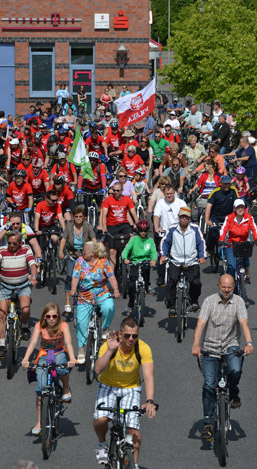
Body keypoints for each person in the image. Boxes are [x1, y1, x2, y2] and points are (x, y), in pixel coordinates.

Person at [192, 274, 254, 439]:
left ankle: (233, 392)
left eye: (230, 287)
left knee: (235, 370)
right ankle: (208, 423)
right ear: (218, 285)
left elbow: (244, 324)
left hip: (230, 346)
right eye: (224, 287)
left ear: (233, 287)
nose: (226, 290)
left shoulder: (239, 302)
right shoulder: (209, 301)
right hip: (210, 348)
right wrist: (196, 344)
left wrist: (249, 343)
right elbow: (200, 324)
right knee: (209, 385)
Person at [93, 316, 157, 468]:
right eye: (127, 335)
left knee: (133, 430)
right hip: (108, 386)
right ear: (120, 334)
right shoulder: (109, 345)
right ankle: (102, 444)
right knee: (101, 420)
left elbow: (148, 377)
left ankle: (133, 464)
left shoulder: (143, 348)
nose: (131, 339)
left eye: (134, 336)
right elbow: (97, 369)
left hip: (131, 388)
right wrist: (110, 350)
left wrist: (149, 401)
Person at [22, 302, 76, 434]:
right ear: (44, 317)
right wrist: (26, 358)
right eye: (48, 316)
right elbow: (33, 342)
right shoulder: (39, 326)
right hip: (44, 355)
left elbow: (68, 342)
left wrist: (72, 358)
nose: (51, 319)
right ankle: (40, 422)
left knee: (61, 368)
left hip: (59, 353)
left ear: (58, 317)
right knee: (41, 390)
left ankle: (66, 388)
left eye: (54, 316)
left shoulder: (63, 326)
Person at [70, 241, 120, 364]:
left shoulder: (103, 261)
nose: (82, 253)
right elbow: (75, 277)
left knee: (109, 307)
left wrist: (116, 290)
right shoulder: (80, 261)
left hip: (101, 292)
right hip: (84, 295)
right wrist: (73, 289)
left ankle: (105, 328)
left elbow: (111, 276)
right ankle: (81, 348)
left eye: (85, 251)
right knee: (81, 321)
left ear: (92, 253)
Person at [160, 206, 206, 316]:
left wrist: (202, 256)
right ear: (179, 217)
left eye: (186, 217)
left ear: (189, 218)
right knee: (171, 281)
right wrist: (163, 255)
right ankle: (171, 306)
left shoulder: (195, 228)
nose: (184, 219)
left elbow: (201, 243)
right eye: (182, 217)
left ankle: (194, 301)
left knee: (196, 283)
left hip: (192, 261)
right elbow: (165, 242)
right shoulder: (172, 229)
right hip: (176, 261)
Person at [0, 231, 37, 355]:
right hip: (5, 286)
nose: (11, 245)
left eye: (14, 243)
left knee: (25, 309)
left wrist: (33, 276)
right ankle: (1, 344)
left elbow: (32, 263)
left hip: (22, 286)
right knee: (2, 314)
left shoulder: (26, 249)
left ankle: (25, 326)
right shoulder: (2, 250)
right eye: (9, 243)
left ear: (20, 243)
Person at [59, 207, 96, 313]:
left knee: (87, 277)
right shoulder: (69, 226)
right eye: (76, 217)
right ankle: (67, 301)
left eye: (80, 217)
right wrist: (61, 252)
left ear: (84, 217)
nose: (78, 219)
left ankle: (87, 297)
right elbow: (63, 239)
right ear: (73, 217)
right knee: (70, 276)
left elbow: (93, 239)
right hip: (72, 254)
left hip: (84, 256)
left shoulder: (87, 226)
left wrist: (97, 251)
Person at [154, 184, 186, 285]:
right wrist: (156, 227)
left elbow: (186, 217)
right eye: (167, 194)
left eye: (171, 193)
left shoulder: (181, 203)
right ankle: (161, 276)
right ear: (164, 193)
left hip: (178, 231)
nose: (169, 196)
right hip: (165, 232)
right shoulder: (160, 203)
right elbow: (156, 216)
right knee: (162, 253)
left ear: (174, 193)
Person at [101, 182, 138, 269]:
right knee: (112, 251)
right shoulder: (108, 200)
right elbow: (104, 215)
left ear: (122, 191)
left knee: (132, 238)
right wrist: (104, 228)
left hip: (124, 224)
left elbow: (133, 213)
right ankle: (111, 276)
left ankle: (130, 266)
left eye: (118, 191)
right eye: (114, 190)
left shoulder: (127, 199)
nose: (115, 192)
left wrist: (137, 224)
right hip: (112, 225)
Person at [122, 219, 157, 312]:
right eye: (141, 230)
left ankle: (147, 285)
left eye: (145, 230)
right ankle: (131, 303)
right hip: (135, 262)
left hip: (145, 261)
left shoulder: (150, 241)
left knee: (146, 271)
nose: (143, 232)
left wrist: (153, 260)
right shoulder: (134, 239)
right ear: (138, 230)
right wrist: (125, 258)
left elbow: (153, 251)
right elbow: (126, 249)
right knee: (132, 284)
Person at [219, 199, 257, 282]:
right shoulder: (229, 218)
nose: (240, 209)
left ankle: (247, 275)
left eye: (242, 207)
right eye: (238, 207)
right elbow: (224, 230)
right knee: (231, 267)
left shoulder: (249, 218)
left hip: (244, 243)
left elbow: (254, 229)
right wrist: (221, 240)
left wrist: (256, 239)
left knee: (246, 262)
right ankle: (231, 286)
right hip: (231, 244)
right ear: (234, 209)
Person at [205, 175, 238, 252]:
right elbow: (209, 206)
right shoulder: (215, 192)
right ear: (221, 183)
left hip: (228, 217)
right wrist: (207, 220)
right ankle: (209, 250)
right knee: (213, 234)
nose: (227, 185)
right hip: (216, 217)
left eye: (228, 183)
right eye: (225, 184)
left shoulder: (233, 190)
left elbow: (237, 204)